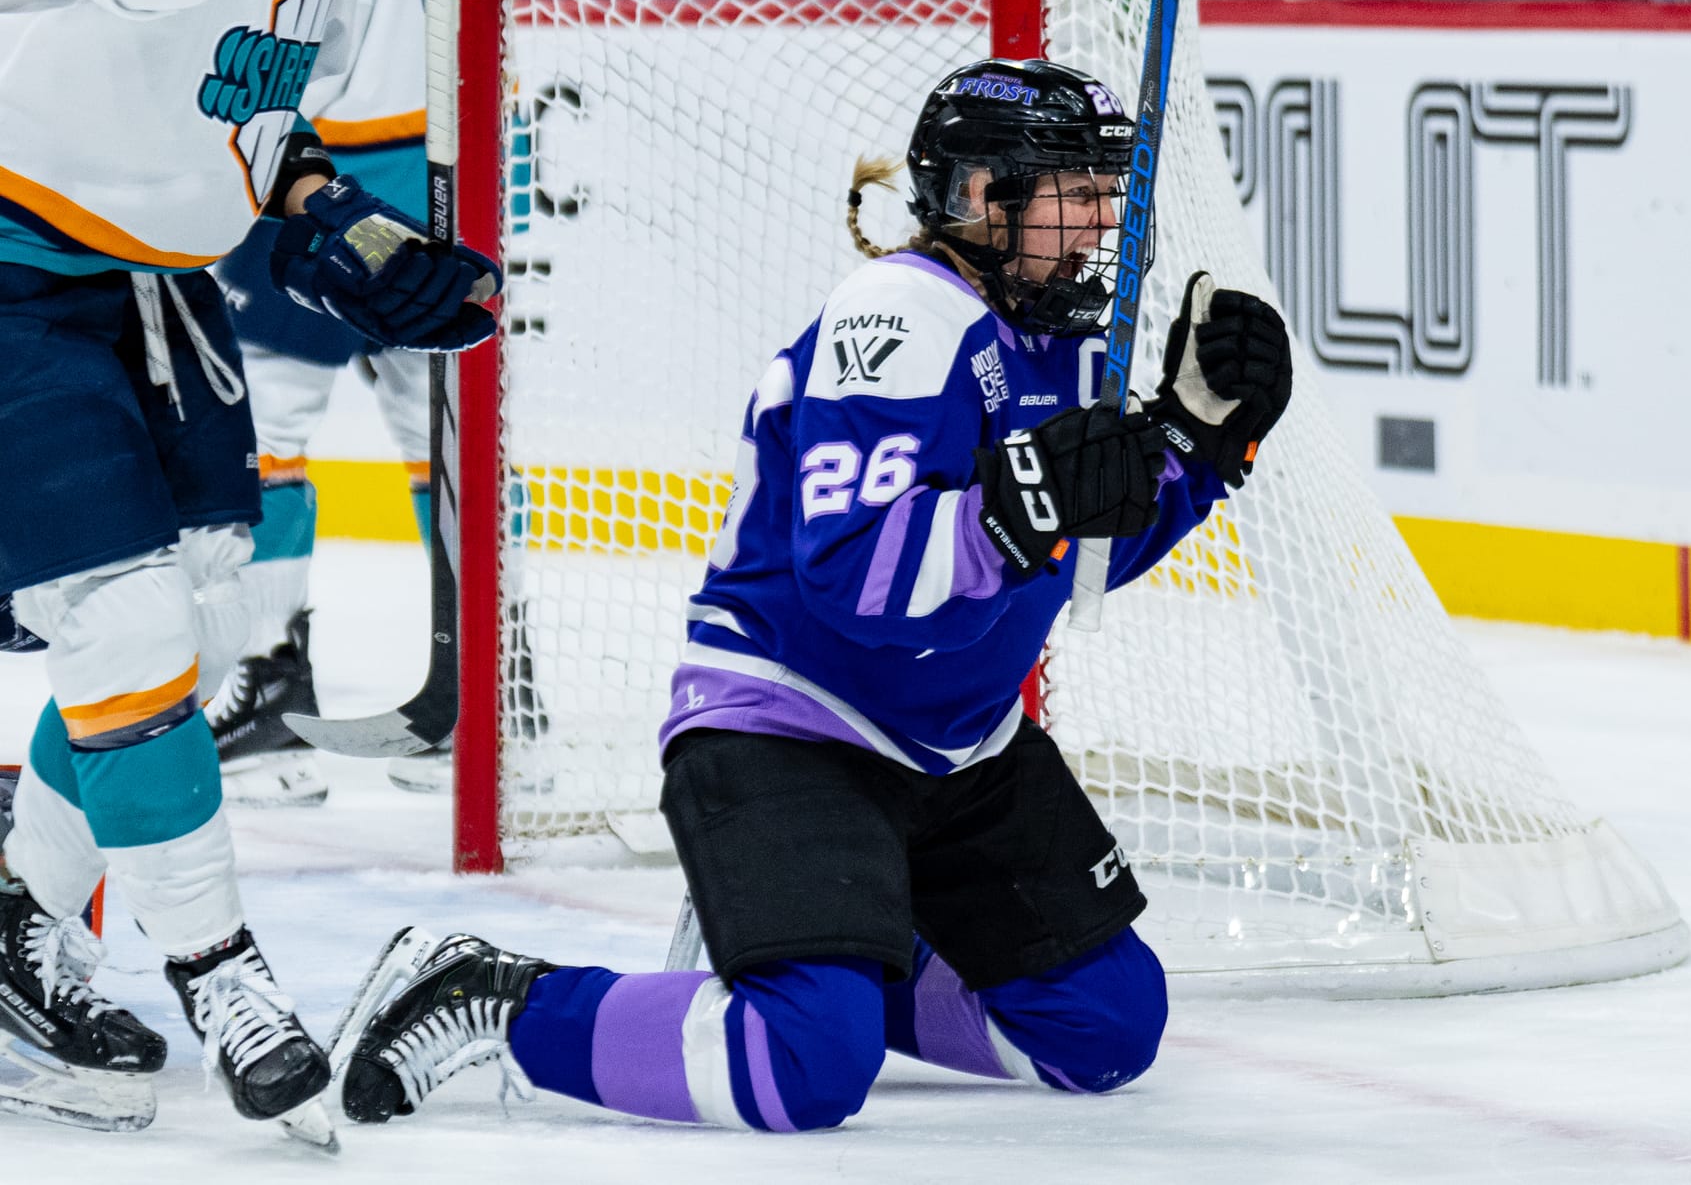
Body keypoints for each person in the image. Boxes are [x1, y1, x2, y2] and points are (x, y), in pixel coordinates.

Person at [328, 58, 1295, 1134]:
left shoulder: (1062, 346)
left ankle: (835, 937)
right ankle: (492, 997)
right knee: (803, 1066)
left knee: (1103, 1025)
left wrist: (1197, 443)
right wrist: (1025, 499)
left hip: (959, 747)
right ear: (982, 195)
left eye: (1105, 191)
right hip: (793, 725)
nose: (1102, 217)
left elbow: (1084, 555)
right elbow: (853, 575)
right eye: (1074, 189)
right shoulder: (898, 317)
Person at [0, 0, 504, 1141]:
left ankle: (15, 922)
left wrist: (340, 225)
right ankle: (221, 971)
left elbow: (247, 123)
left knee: (209, 619)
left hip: (146, 286)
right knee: (125, 625)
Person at [203, 0, 438, 808]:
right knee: (443, 434)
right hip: (442, 157)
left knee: (263, 427)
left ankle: (270, 694)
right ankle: (484, 697)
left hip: (319, 163)